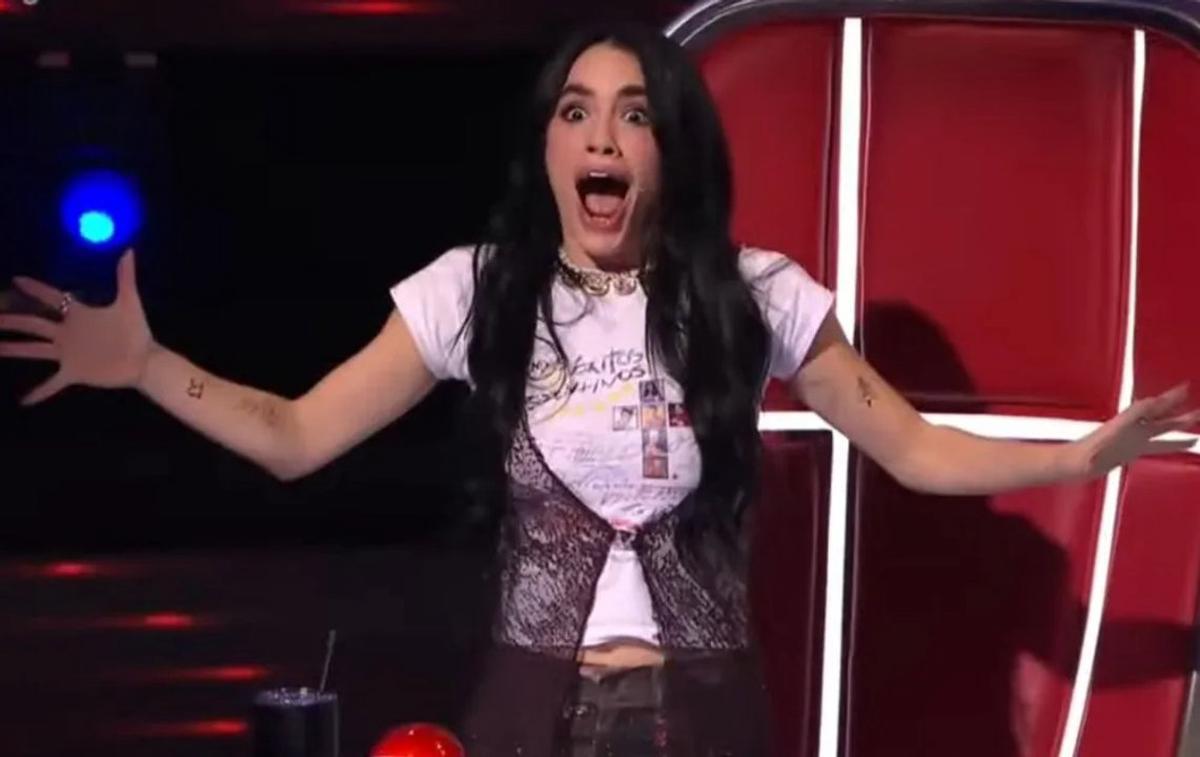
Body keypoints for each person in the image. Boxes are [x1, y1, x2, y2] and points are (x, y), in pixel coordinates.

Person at [0, 23, 1195, 757]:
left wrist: (1086, 456)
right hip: (534, 714)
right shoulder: (478, 289)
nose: (601, 138)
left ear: (671, 150)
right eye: (577, 113)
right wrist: (146, 366)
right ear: (551, 149)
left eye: (633, 115)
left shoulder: (753, 293)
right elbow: (296, 434)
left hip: (695, 719)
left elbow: (917, 447)